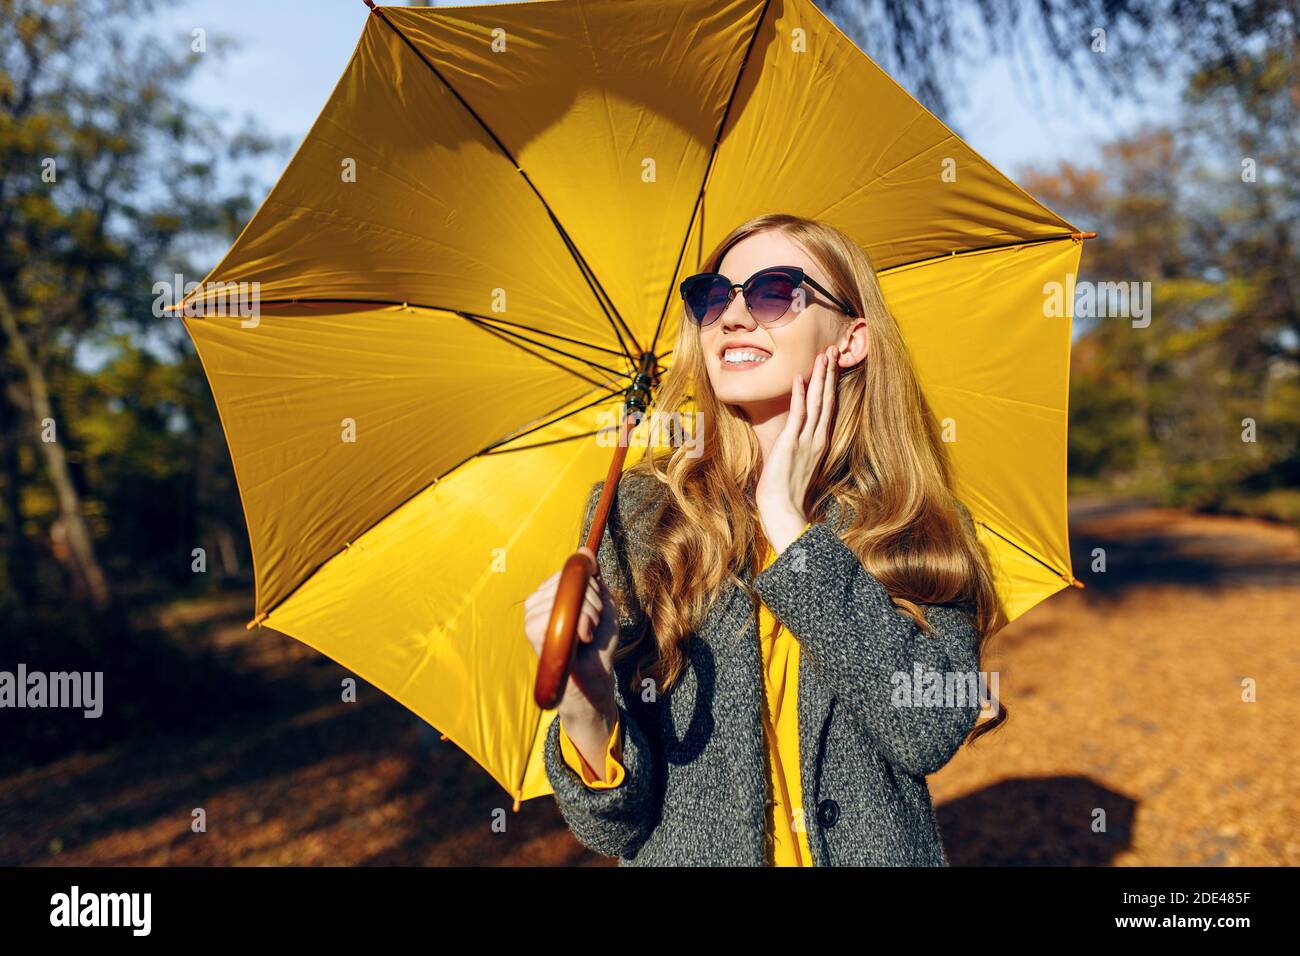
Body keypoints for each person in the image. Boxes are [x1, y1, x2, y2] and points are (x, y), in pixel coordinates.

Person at [523, 212, 1007, 866]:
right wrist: (587, 697)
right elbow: (613, 831)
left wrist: (789, 524)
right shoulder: (638, 516)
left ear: (852, 338)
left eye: (774, 291)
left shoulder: (915, 520)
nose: (733, 316)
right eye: (713, 297)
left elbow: (925, 731)